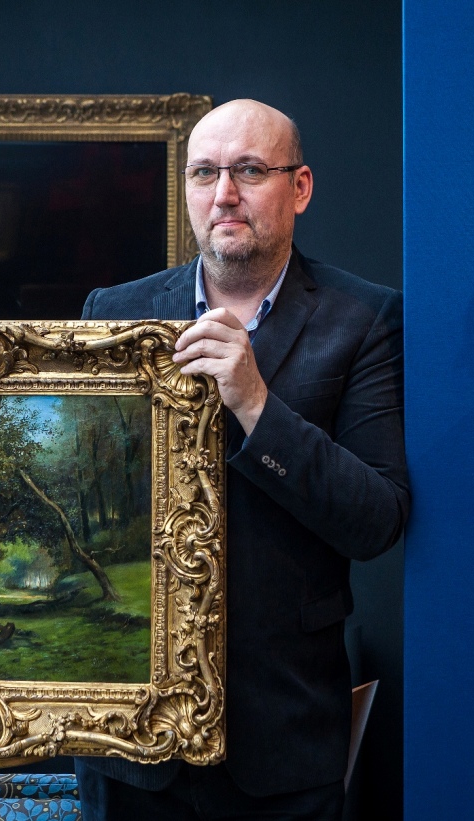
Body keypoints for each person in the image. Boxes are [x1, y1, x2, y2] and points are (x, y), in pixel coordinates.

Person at [74, 98, 410, 820]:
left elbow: (376, 520)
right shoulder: (113, 313)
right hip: (129, 740)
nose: (223, 192)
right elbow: (71, 491)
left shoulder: (364, 319)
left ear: (300, 187)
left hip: (283, 737)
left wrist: (256, 403)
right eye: (204, 172)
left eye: (249, 170)